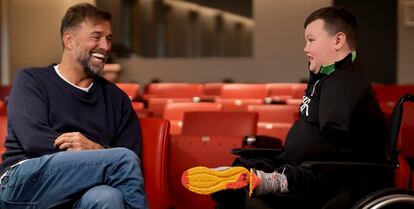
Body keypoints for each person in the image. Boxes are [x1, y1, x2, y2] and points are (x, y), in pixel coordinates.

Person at [181, 6, 388, 209]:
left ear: (338, 41)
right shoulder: (328, 78)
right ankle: (243, 173)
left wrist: (295, 157)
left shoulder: (345, 81)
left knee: (278, 177)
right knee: (249, 165)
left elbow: (334, 139)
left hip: (331, 177)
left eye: (311, 40)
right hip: (301, 163)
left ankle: (271, 179)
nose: (305, 48)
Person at [0, 3, 148, 209]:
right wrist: (94, 156)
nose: (105, 47)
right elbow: (33, 140)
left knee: (107, 197)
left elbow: (133, 159)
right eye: (96, 37)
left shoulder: (118, 99)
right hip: (23, 183)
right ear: (69, 40)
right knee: (122, 159)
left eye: (109, 39)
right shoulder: (32, 79)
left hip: (83, 189)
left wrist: (95, 149)